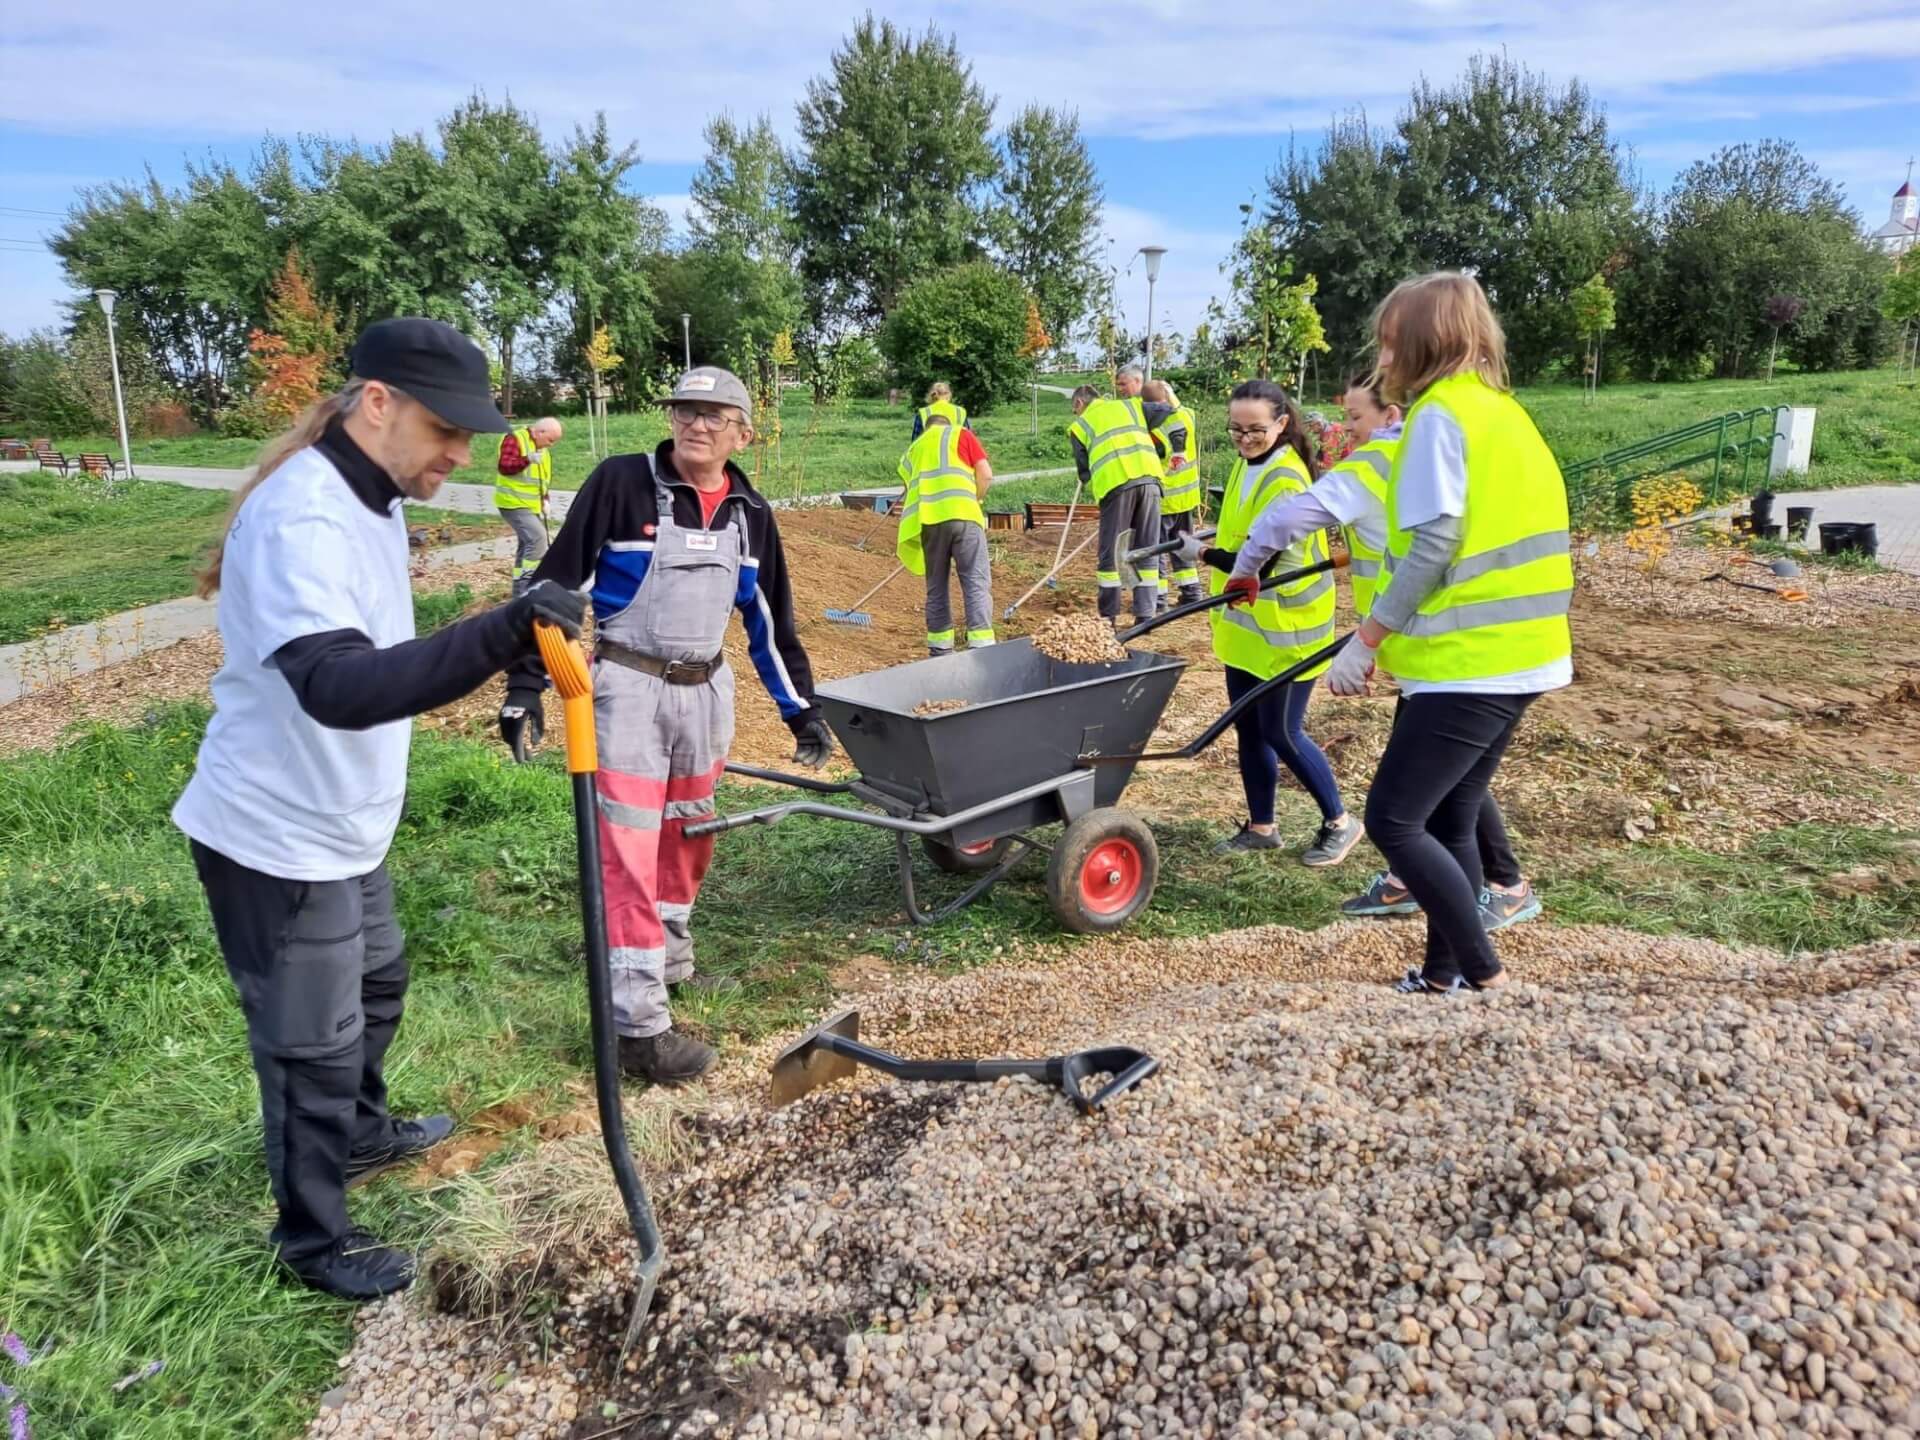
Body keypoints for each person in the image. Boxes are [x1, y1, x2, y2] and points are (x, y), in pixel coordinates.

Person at [173, 318, 587, 1300]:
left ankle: (358, 1132)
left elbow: (379, 653)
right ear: (376, 403)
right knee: (308, 1045)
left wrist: (508, 645)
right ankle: (312, 1240)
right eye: (445, 431)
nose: (461, 454)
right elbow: (338, 687)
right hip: (276, 833)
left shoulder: (376, 497)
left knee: (379, 982)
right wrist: (495, 633)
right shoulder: (304, 515)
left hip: (342, 819)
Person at [501, 367, 835, 1082]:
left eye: (716, 415)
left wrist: (800, 710)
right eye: (686, 410)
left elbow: (769, 624)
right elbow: (555, 589)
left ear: (744, 433)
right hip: (626, 688)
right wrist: (525, 685)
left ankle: (671, 962)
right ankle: (638, 1028)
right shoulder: (621, 484)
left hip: (705, 691)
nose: (697, 424)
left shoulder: (751, 513)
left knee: (689, 836)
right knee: (626, 850)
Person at [1324, 271, 1573, 995]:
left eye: (1389, 342)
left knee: (1395, 823)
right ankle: (1443, 978)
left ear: (1422, 341)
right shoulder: (1503, 412)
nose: (1383, 358)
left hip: (1470, 661)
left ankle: (1484, 975)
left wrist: (1364, 638)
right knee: (1451, 817)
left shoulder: (1439, 417)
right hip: (1522, 654)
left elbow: (1435, 545)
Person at [1222, 373, 1542, 929]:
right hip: (1470, 647)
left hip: (1458, 652)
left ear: (1391, 416)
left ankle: (1465, 929)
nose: (1345, 431)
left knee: (1412, 805)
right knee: (1455, 781)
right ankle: (1449, 895)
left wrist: (1364, 639)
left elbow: (1286, 521)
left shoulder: (1385, 460)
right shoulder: (1478, 442)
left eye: (1353, 418)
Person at [1174, 379, 1361, 864]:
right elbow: (1243, 527)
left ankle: (1341, 822)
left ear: (1281, 423)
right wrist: (1211, 536)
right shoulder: (1247, 464)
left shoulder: (1286, 478)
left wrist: (1204, 553)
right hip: (1248, 628)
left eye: (1255, 429)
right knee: (1249, 729)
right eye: (1235, 429)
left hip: (1288, 627)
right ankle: (1262, 827)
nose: (1244, 438)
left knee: (1282, 731)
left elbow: (1265, 562)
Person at [897, 405, 996, 655]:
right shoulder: (961, 434)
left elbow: (909, 486)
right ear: (947, 423)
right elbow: (985, 475)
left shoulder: (915, 448)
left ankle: (940, 650)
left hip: (931, 521)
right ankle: (981, 646)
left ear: (928, 428)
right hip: (965, 517)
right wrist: (976, 498)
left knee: (936, 585)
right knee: (975, 580)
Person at [1067, 384, 1164, 626]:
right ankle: (1145, 615)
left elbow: (1084, 471)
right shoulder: (1130, 405)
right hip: (1151, 480)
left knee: (1111, 554)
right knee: (1147, 548)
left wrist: (1089, 479)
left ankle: (1108, 616)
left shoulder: (1080, 426)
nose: (1075, 414)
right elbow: (1164, 421)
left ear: (1079, 403)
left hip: (1116, 484)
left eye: (1074, 409)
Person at [1143, 378, 1203, 604]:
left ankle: (1158, 599)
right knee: (1183, 545)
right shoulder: (1187, 415)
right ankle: (1192, 592)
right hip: (1187, 496)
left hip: (1164, 497)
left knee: (1156, 548)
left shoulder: (1154, 427)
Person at [496, 416, 564, 594]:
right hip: (513, 502)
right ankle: (528, 589)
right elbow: (504, 466)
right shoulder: (515, 439)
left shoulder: (543, 451)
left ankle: (518, 593)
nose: (551, 444)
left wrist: (545, 499)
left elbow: (542, 480)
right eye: (550, 440)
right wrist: (527, 459)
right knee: (538, 539)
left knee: (526, 546)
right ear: (540, 432)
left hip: (532, 506)